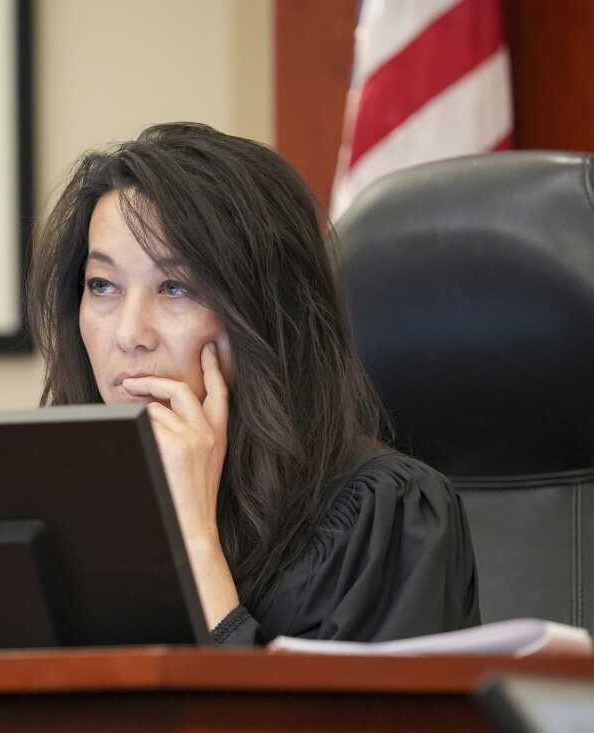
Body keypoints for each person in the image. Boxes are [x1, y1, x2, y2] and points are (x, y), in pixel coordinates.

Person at [26, 122, 480, 646]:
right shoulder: (56, 504)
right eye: (102, 285)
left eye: (175, 287)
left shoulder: (386, 516)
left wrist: (195, 541)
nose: (129, 335)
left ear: (265, 311)